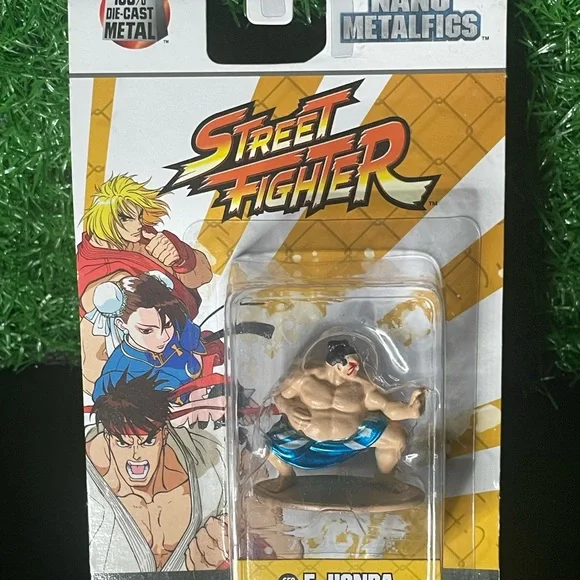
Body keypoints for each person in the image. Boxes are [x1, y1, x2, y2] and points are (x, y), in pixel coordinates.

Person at [77, 174, 213, 393]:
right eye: (126, 219)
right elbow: (91, 360)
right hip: (142, 364)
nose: (137, 224)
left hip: (184, 336)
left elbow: (204, 274)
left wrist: (181, 257)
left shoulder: (146, 236)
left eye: (139, 216)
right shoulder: (93, 266)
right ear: (104, 220)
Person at [86, 371, 228, 572]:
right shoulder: (89, 483)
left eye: (148, 441)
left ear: (164, 434)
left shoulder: (209, 459)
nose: (136, 455)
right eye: (123, 443)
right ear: (108, 438)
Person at [264, 340, 426, 492]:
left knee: (396, 438)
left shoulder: (363, 387)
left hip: (350, 441)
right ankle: (286, 476)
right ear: (336, 364)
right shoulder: (303, 378)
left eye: (357, 364)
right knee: (263, 446)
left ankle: (385, 477)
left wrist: (410, 410)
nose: (356, 369)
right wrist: (289, 409)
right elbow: (279, 396)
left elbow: (387, 407)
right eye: (352, 365)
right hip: (301, 438)